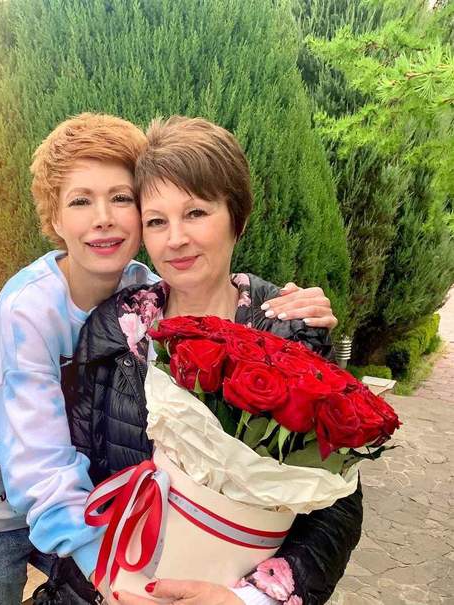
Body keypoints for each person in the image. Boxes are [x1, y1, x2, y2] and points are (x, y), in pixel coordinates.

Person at [0, 113, 339, 605]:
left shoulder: (141, 296)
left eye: (121, 198)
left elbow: (205, 285)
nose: (103, 217)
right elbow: (43, 468)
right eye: (80, 201)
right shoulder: (34, 313)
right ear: (54, 220)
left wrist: (291, 311)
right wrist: (115, 580)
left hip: (73, 506)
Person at [65, 117, 362, 605]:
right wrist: (99, 578)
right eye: (157, 221)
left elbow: (337, 501)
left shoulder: (288, 331)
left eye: (196, 213)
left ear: (236, 217)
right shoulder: (115, 328)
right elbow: (74, 467)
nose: (175, 239)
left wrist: (254, 599)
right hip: (111, 587)